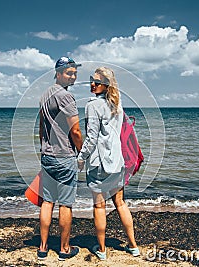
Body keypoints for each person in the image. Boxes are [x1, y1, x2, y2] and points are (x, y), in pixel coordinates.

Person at [77, 67, 140, 260]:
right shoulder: (117, 104)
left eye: (97, 81)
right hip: (117, 162)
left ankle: (102, 250)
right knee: (120, 203)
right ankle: (133, 246)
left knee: (99, 206)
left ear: (106, 85)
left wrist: (80, 158)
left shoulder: (92, 105)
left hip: (98, 164)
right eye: (91, 80)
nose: (93, 84)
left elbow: (91, 138)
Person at [37, 56, 83, 261]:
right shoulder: (66, 96)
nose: (72, 75)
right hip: (64, 156)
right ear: (57, 73)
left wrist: (43, 147)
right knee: (65, 205)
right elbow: (76, 131)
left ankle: (43, 247)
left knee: (47, 202)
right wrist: (82, 153)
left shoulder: (45, 94)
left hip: (47, 155)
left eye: (74, 72)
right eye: (68, 72)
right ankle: (64, 249)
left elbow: (41, 127)